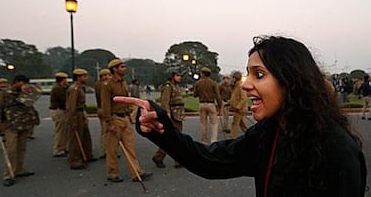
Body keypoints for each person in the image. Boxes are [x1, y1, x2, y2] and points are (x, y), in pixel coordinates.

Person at [115, 36, 367, 197]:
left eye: (258, 74)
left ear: (291, 80)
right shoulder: (268, 133)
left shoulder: (337, 149)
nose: (245, 85)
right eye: (247, 74)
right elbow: (209, 161)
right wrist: (163, 129)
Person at [102, 59, 152, 183]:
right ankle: (112, 173)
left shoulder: (123, 83)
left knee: (130, 146)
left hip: (125, 118)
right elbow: (105, 105)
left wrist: (129, 115)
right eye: (122, 67)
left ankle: (136, 172)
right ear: (115, 69)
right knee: (112, 148)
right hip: (114, 118)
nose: (124, 69)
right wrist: (109, 123)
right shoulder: (108, 85)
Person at [0, 75, 40, 187]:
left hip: (24, 124)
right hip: (10, 124)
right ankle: (8, 174)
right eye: (23, 83)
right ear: (17, 82)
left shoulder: (25, 92)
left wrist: (28, 91)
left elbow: (33, 98)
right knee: (12, 149)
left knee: (21, 148)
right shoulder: (3, 93)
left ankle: (19, 169)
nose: (25, 85)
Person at [152, 68, 184, 168]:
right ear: (172, 76)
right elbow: (165, 101)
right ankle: (163, 157)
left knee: (175, 138)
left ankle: (161, 157)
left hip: (178, 114)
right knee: (173, 137)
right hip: (172, 115)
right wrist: (167, 114)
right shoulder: (168, 86)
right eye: (178, 75)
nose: (180, 77)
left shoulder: (176, 86)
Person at [66, 68, 96, 169]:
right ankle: (75, 160)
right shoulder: (74, 89)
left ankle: (86, 155)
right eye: (84, 76)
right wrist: (73, 121)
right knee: (75, 138)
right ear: (78, 77)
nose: (86, 78)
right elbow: (71, 106)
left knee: (85, 136)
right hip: (76, 114)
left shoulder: (80, 88)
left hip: (81, 113)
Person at [193, 67, 222, 144]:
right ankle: (213, 140)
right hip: (211, 104)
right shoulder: (213, 83)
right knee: (214, 123)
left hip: (202, 104)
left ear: (202, 74)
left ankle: (204, 140)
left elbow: (195, 95)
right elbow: (217, 95)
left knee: (203, 123)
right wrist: (220, 105)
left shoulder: (198, 83)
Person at [49, 72, 69, 157]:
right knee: (60, 131)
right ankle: (58, 149)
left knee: (64, 130)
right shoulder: (57, 88)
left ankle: (63, 147)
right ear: (62, 79)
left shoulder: (59, 87)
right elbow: (64, 98)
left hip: (59, 110)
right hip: (58, 110)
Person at [94, 69, 112, 158]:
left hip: (100, 109)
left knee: (105, 131)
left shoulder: (98, 84)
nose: (109, 77)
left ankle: (106, 149)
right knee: (106, 131)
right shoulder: (104, 85)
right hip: (104, 109)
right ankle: (105, 150)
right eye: (107, 75)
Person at [229, 71, 248, 139]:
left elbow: (244, 98)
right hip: (238, 109)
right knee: (242, 125)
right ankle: (250, 136)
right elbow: (234, 98)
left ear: (236, 78)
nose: (232, 79)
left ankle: (232, 138)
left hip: (240, 110)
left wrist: (238, 107)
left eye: (233, 78)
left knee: (235, 124)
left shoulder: (240, 86)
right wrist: (228, 103)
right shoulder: (236, 87)